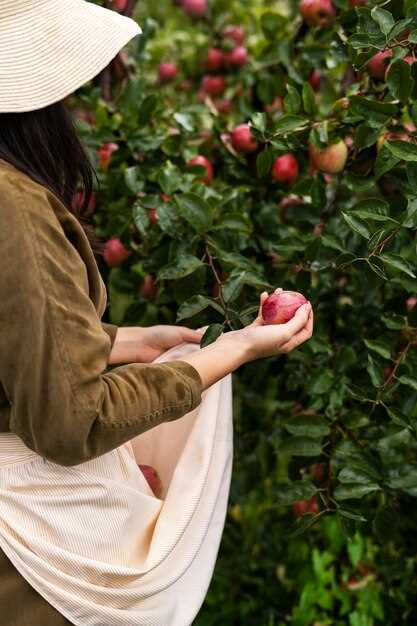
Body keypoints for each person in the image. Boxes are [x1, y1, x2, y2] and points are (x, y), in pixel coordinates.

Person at [0, 1, 314, 624]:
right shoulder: (18, 211)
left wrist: (117, 340)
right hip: (27, 556)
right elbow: (70, 422)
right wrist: (233, 351)